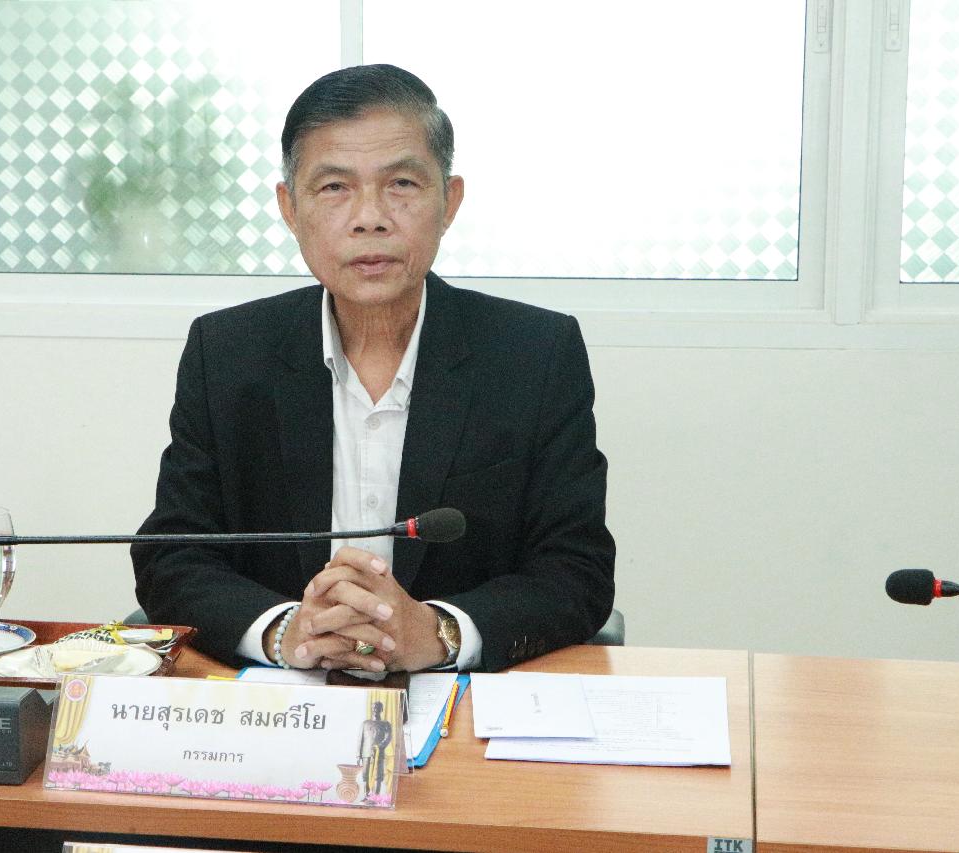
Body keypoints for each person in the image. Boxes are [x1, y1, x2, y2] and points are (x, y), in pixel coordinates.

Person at [132, 64, 615, 673]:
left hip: (463, 698)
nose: (370, 217)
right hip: (282, 701)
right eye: (335, 187)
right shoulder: (227, 352)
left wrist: (438, 632)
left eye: (402, 184)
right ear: (290, 208)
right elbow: (173, 555)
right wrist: (286, 631)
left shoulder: (534, 354)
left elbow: (576, 570)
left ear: (450, 201)